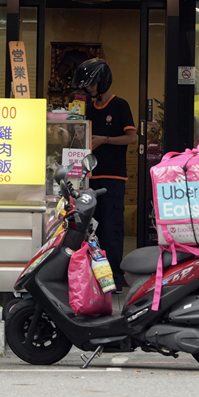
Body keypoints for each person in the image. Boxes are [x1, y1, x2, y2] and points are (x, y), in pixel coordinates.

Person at [71, 58, 136, 290]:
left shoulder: (120, 106)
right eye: (86, 85)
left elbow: (132, 138)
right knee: (90, 231)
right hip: (89, 179)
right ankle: (95, 278)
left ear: (103, 81)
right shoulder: (87, 109)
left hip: (113, 179)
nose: (89, 89)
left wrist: (104, 140)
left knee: (111, 229)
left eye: (92, 84)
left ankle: (115, 280)